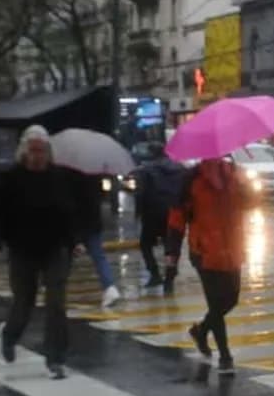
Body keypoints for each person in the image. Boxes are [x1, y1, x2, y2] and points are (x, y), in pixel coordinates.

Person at [0, 125, 84, 380]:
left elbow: (69, 213)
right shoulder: (11, 179)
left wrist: (75, 241)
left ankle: (56, 358)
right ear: (25, 152)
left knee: (56, 304)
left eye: (42, 151)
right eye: (33, 151)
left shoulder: (58, 178)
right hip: (22, 250)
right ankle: (10, 336)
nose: (38, 156)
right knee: (24, 302)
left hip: (54, 249)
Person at [166, 157, 258, 374]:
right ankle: (225, 356)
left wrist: (247, 188)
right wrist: (172, 256)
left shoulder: (233, 173)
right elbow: (177, 219)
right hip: (204, 252)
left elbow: (250, 203)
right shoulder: (191, 179)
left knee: (232, 298)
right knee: (216, 303)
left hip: (232, 249)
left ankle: (201, 331)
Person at [134, 154, 187, 293]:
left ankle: (155, 273)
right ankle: (170, 276)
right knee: (170, 248)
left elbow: (141, 193)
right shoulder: (181, 169)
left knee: (145, 245)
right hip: (174, 213)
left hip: (152, 214)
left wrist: (138, 213)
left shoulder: (146, 170)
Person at [72, 171, 121, 308]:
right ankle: (110, 287)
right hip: (93, 223)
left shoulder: (71, 177)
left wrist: (78, 239)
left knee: (63, 259)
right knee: (99, 257)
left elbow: (73, 206)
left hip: (78, 226)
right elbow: (100, 197)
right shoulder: (94, 175)